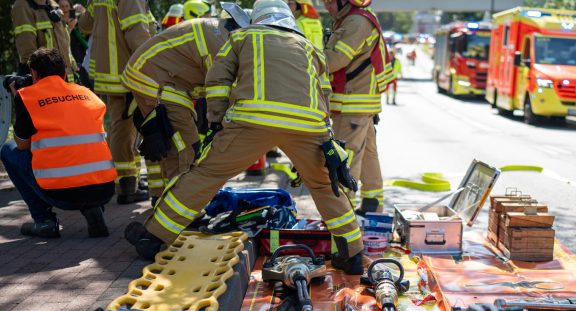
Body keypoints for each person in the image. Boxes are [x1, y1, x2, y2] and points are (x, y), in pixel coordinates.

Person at [126, 0, 365, 274]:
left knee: (206, 174)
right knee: (325, 186)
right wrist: (326, 138)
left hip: (252, 122)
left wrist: (216, 123)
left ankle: (152, 237)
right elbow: (324, 93)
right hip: (307, 126)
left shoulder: (241, 36)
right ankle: (353, 255)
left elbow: (218, 81)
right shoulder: (309, 47)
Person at [0, 48, 116, 239]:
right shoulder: (88, 94)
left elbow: (21, 145)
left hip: (61, 195)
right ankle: (94, 209)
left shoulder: (28, 97)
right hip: (103, 189)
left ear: (34, 74)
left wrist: (18, 98)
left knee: (8, 150)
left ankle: (44, 221)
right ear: (64, 73)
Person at [121, 15, 235, 201]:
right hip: (158, 82)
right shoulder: (220, 44)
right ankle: (183, 209)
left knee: (172, 144)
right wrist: (219, 123)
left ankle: (164, 200)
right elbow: (219, 88)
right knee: (186, 147)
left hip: (157, 78)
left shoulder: (218, 31)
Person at [79, 0, 155, 204]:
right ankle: (127, 185)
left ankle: (130, 181)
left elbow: (85, 24)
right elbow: (136, 32)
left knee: (122, 127)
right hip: (128, 73)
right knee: (126, 129)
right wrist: (152, 65)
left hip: (108, 73)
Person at [322, 0, 392, 215]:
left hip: (352, 105)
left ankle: (344, 214)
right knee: (369, 156)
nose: (327, 6)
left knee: (345, 159)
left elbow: (335, 60)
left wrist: (301, 60)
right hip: (360, 103)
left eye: (330, 1)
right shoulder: (354, 18)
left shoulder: (356, 21)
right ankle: (373, 207)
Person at [11, 0, 75, 78]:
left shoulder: (53, 5)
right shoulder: (22, 6)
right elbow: (28, 51)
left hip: (64, 77)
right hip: (45, 78)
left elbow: (64, 44)